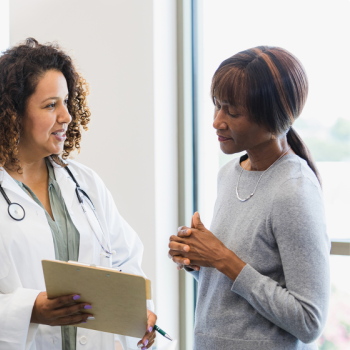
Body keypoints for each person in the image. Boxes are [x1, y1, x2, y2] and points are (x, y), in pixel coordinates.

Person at [168, 46, 330, 350]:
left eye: (233, 112)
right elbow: (238, 297)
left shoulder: (294, 190)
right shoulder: (229, 174)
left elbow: (309, 322)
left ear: (272, 119)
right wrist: (198, 261)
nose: (217, 121)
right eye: (217, 106)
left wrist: (223, 259)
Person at [0, 38, 155, 350]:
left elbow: (125, 258)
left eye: (66, 102)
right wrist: (31, 310)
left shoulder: (84, 183)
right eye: (50, 105)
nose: (66, 116)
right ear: (13, 113)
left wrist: (137, 312)